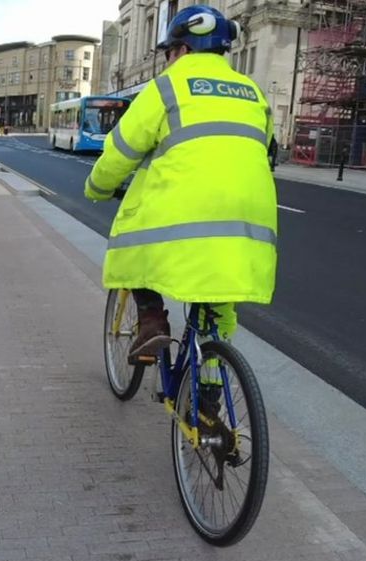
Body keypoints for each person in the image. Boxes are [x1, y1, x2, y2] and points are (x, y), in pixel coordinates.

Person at [84, 5, 277, 395]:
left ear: (183, 50)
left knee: (133, 248)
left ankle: (152, 319)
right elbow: (268, 148)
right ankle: (209, 400)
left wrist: (97, 188)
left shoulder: (167, 87)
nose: (168, 58)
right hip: (248, 222)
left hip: (186, 217)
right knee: (216, 309)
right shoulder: (253, 92)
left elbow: (121, 150)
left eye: (169, 50)